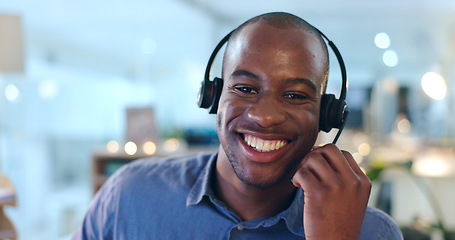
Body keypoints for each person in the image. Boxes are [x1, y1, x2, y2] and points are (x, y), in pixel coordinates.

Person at [73, 12, 403, 239]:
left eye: (294, 95)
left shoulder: (372, 233)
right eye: (245, 89)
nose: (265, 116)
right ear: (213, 97)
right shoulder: (128, 197)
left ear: (329, 114)